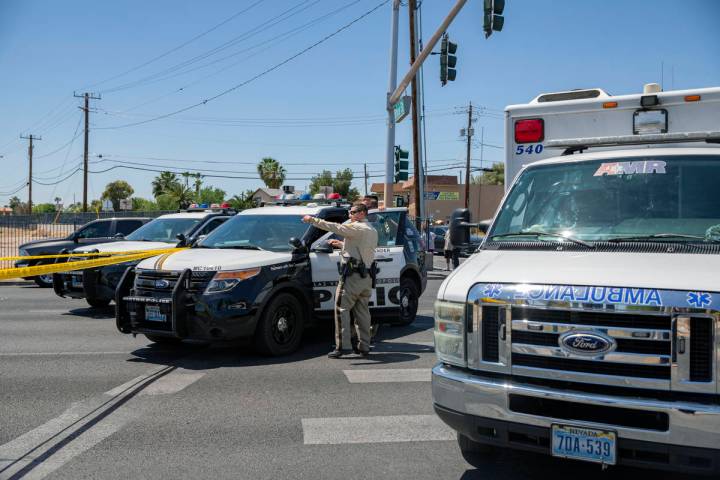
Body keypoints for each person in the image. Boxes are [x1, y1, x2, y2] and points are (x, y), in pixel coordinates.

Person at [302, 203, 378, 358]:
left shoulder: (357, 227)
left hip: (352, 278)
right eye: (350, 211)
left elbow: (335, 227)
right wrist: (342, 245)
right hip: (366, 277)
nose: (350, 214)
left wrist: (312, 220)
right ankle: (364, 346)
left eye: (353, 212)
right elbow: (360, 248)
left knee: (341, 310)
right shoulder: (371, 230)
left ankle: (343, 346)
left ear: (363, 213)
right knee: (363, 312)